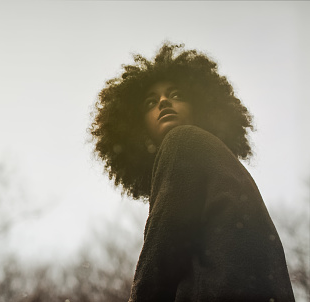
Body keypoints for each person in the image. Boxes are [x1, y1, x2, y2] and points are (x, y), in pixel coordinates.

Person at [90, 42, 295, 301]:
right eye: (151, 102)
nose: (164, 102)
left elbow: (161, 257)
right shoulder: (221, 163)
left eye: (176, 95)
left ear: (200, 106)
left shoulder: (183, 141)